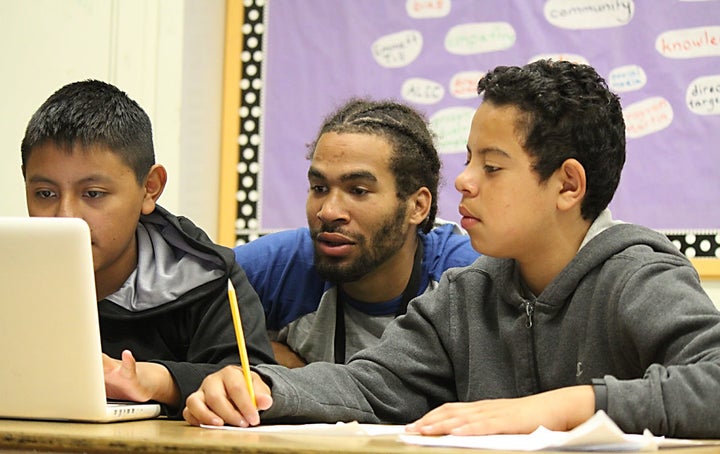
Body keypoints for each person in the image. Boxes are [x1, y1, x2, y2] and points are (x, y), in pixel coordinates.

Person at [183, 59, 720, 438]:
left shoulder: (638, 277)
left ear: (567, 185)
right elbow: (372, 384)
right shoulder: (469, 293)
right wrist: (262, 390)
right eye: (468, 160)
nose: (462, 182)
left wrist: (570, 406)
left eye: (491, 165)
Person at [20, 80, 275, 418]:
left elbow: (255, 386)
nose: (66, 217)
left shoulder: (202, 275)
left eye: (93, 194)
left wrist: (158, 381)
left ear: (149, 189)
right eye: (45, 194)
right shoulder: (12, 272)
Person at [234, 98, 479, 367]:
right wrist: (265, 355)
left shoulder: (468, 279)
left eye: (358, 191)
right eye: (319, 188)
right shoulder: (279, 266)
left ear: (417, 206)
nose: (328, 212)